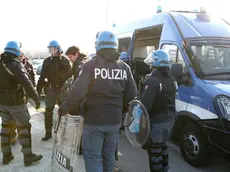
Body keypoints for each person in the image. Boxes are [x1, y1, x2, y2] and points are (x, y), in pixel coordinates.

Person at [58, 31, 138, 172]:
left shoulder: (90, 66)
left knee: (94, 158)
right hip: (114, 121)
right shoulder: (124, 68)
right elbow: (132, 94)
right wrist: (120, 109)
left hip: (94, 121)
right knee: (109, 157)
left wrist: (63, 108)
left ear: (98, 46)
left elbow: (77, 91)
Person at [0, 41, 43, 166]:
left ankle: (6, 155)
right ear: (16, 51)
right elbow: (27, 83)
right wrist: (36, 99)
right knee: (23, 127)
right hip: (16, 102)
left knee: (5, 128)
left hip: (2, 103)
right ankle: (28, 155)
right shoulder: (15, 65)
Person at [140, 50, 177, 172]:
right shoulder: (171, 79)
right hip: (169, 120)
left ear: (154, 64)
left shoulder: (152, 81)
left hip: (156, 121)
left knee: (155, 152)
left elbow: (145, 104)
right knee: (163, 147)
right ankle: (165, 169)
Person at [37, 40, 72, 141]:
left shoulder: (65, 61)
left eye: (52, 48)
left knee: (64, 111)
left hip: (62, 90)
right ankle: (48, 132)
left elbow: (70, 78)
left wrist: (69, 90)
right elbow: (42, 77)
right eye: (49, 49)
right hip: (51, 89)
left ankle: (64, 132)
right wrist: (38, 91)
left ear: (58, 49)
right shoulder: (47, 61)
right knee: (48, 111)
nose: (50, 50)